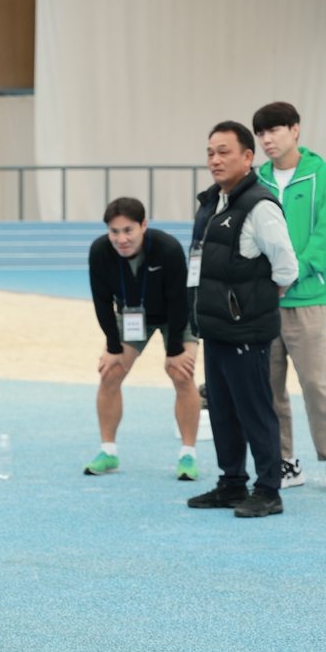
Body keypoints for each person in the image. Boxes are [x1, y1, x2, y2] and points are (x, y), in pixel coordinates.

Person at [186, 122, 298, 518]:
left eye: (224, 152)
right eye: (210, 152)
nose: (214, 160)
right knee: (222, 410)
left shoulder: (260, 206)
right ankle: (231, 483)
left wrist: (254, 302)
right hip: (215, 329)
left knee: (256, 411)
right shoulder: (211, 203)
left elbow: (286, 266)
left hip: (246, 330)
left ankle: (269, 490)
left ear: (248, 158)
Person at [252, 102, 326, 493]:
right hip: (265, 304)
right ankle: (285, 460)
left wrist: (293, 273)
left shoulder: (324, 177)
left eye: (274, 131)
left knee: (317, 385)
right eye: (261, 134)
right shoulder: (256, 181)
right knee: (269, 388)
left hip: (305, 299)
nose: (267, 140)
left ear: (295, 129)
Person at [85, 197, 200, 479]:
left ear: (143, 226)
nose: (121, 239)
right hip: (134, 316)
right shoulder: (100, 251)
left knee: (181, 373)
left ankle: (188, 455)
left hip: (176, 315)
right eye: (114, 231)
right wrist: (113, 347)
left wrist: (174, 350)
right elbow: (101, 302)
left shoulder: (167, 248)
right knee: (109, 373)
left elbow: (178, 301)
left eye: (128, 230)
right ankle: (108, 452)